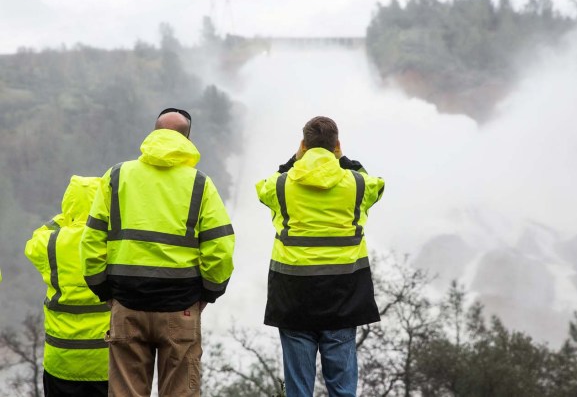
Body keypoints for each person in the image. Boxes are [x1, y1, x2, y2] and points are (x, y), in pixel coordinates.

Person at [80, 108, 235, 397]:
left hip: (126, 305)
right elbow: (220, 248)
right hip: (181, 307)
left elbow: (91, 241)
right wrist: (208, 293)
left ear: (154, 133)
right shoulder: (200, 184)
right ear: (187, 139)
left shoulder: (116, 176)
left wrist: (105, 292)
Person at [256, 116, 385, 396]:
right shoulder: (358, 185)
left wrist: (295, 161)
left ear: (303, 145)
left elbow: (265, 186)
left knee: (299, 388)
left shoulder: (280, 186)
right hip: (343, 294)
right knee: (342, 388)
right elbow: (376, 184)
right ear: (336, 145)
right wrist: (344, 159)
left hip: (293, 295)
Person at [25, 175, 109, 397]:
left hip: (61, 359)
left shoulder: (50, 243)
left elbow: (34, 239)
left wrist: (65, 218)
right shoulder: (111, 241)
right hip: (107, 359)